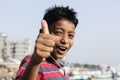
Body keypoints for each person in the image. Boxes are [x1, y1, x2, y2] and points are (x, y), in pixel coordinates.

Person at [15, 5, 78, 80]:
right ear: (42, 33)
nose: (65, 40)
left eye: (70, 35)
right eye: (58, 33)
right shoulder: (32, 62)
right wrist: (35, 61)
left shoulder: (60, 67)